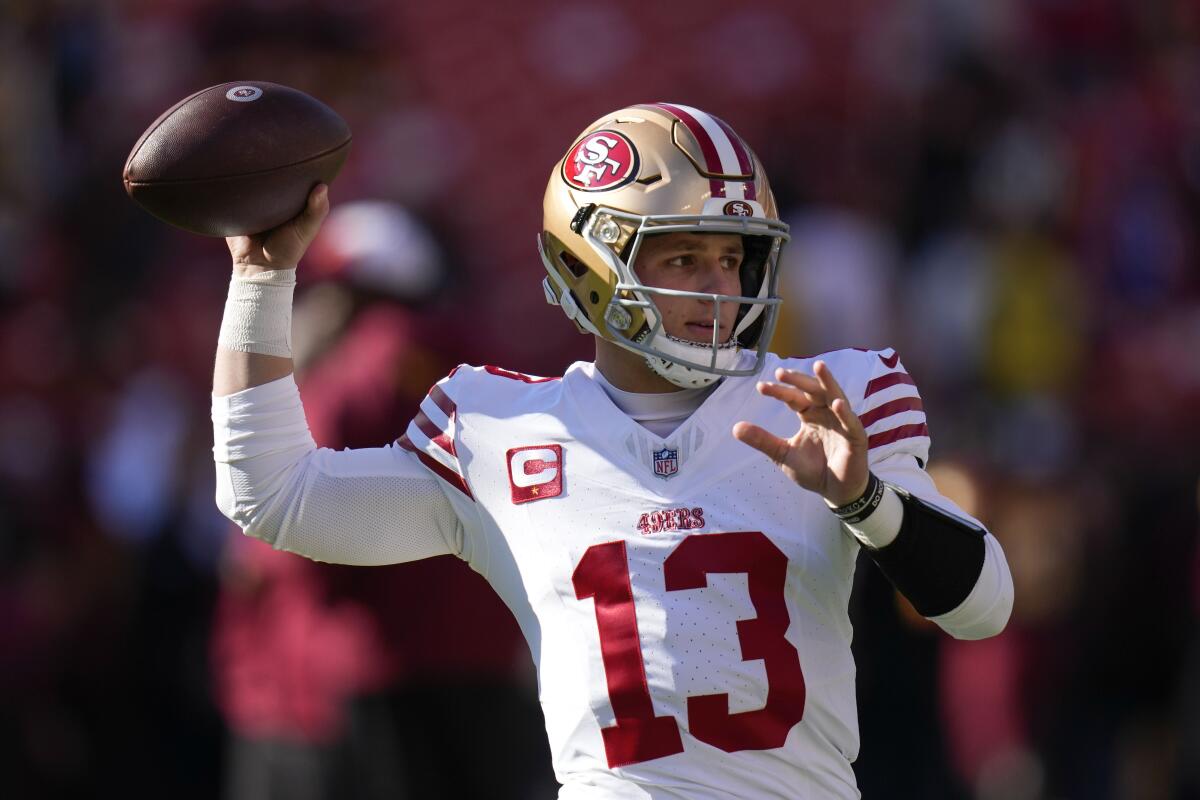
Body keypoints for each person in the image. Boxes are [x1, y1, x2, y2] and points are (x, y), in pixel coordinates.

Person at [212, 103, 1013, 799]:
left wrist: (866, 500)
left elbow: (983, 608)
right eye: (683, 257)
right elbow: (276, 497)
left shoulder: (826, 401)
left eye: (734, 257)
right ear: (590, 265)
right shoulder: (497, 426)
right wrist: (260, 278)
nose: (720, 289)